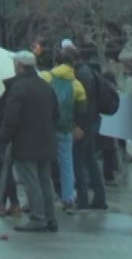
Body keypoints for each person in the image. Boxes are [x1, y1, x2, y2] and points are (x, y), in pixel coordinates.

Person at [1, 50, 59, 234]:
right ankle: (50, 218)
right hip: (46, 139)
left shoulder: (18, 87)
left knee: (31, 181)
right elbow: (56, 113)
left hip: (25, 141)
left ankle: (38, 218)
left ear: (19, 65)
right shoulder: (45, 85)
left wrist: (3, 139)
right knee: (44, 180)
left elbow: (11, 119)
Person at [40, 46, 87, 212]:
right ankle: (68, 199)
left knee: (43, 163)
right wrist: (77, 126)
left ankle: (45, 198)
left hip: (45, 128)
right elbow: (81, 110)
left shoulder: (46, 77)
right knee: (66, 164)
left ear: (56, 63)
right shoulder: (77, 85)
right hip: (65, 129)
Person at [66, 46, 108, 211]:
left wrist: (79, 125)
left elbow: (84, 103)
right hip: (91, 122)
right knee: (90, 159)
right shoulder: (88, 71)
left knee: (78, 159)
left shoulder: (81, 75)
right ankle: (99, 197)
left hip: (85, 123)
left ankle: (83, 198)